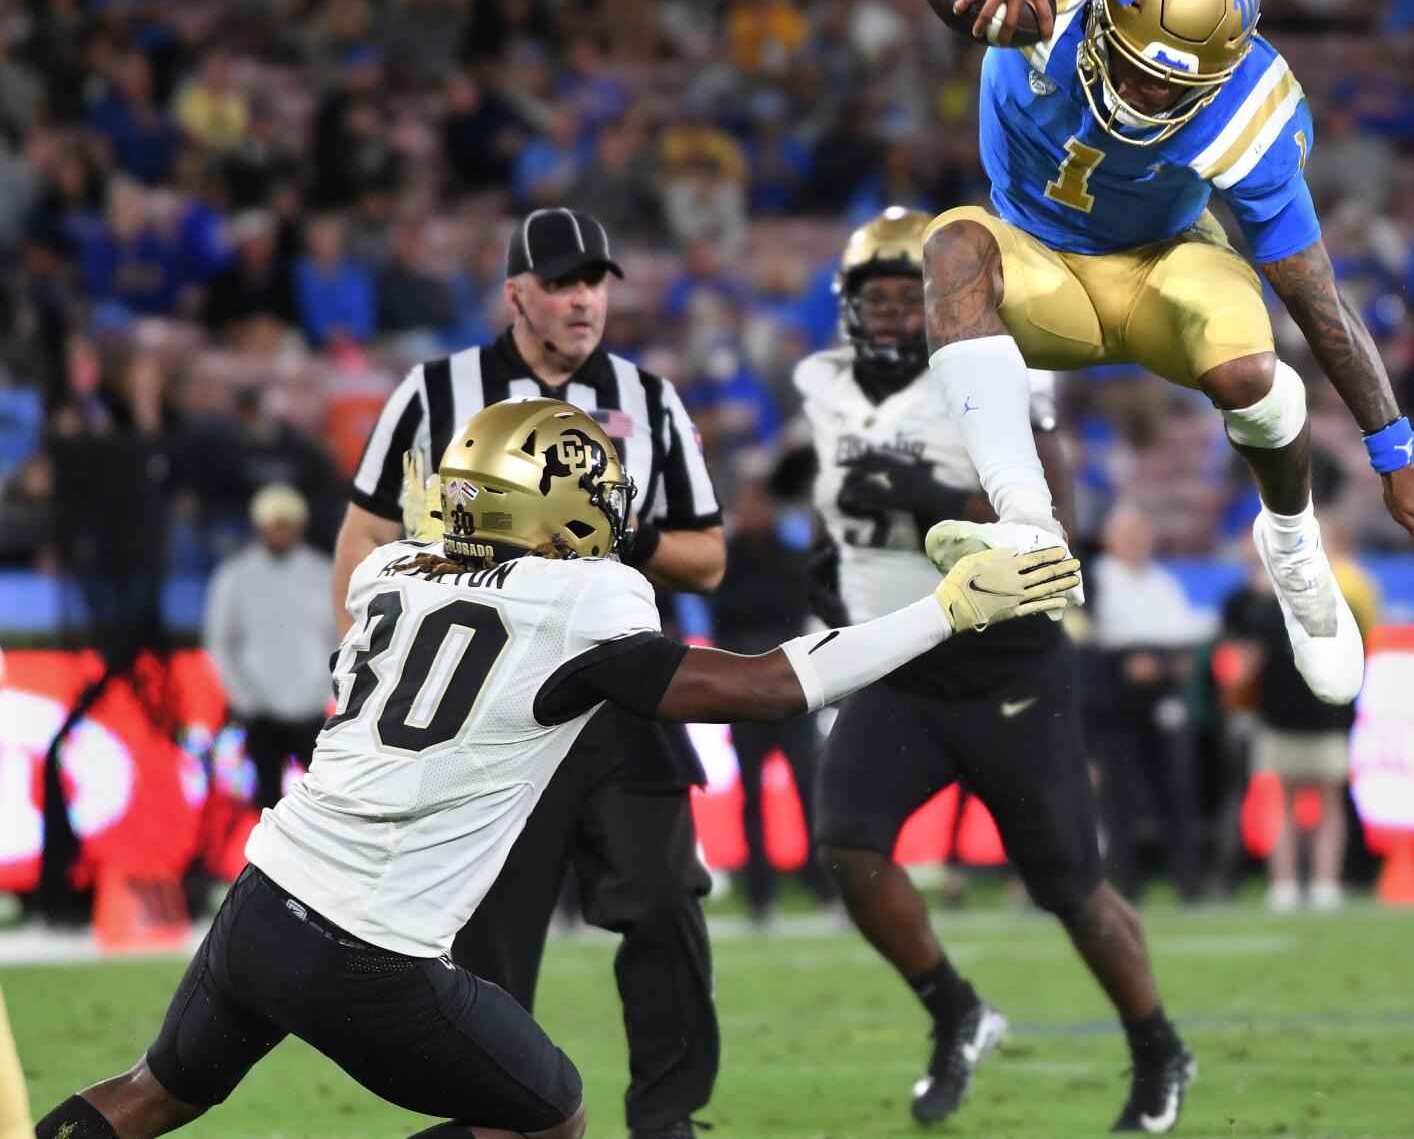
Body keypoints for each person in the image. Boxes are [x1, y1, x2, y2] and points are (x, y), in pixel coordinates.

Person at [32, 398, 1077, 1139]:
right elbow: (763, 686)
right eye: (592, 492)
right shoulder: (579, 603)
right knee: (549, 1113)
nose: (610, 511)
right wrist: (944, 611)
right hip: (371, 944)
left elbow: (448, 572)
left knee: (154, 1092)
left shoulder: (392, 570)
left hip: (266, 897)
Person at [873, 0, 1414, 717]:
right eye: (1128, 62)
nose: (1134, 91)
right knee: (949, 246)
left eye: (1165, 82)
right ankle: (1027, 524)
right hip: (1034, 259)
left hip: (1162, 263)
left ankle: (1290, 545)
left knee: (1258, 376)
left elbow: (1315, 294)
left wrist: (1395, 451)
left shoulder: (1253, 112)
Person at [331, 208, 729, 1139]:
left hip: (620, 686)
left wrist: (623, 533)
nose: (583, 298)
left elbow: (708, 559)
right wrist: (357, 663)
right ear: (516, 294)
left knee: (667, 901)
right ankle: (495, 1123)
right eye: (561, 281)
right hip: (491, 701)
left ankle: (668, 1123)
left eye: (595, 280)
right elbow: (364, 531)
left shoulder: (650, 399)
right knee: (487, 938)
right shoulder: (436, 391)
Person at [799, 208, 1196, 1132]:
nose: (898, 311)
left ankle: (1156, 1042)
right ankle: (956, 1010)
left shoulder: (989, 356)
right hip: (898, 657)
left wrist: (926, 499)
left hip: (1002, 660)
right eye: (881, 297)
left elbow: (1041, 497)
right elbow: (842, 501)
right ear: (851, 305)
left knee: (1068, 885)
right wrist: (832, 562)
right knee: (849, 844)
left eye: (912, 292)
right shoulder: (825, 386)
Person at [1223, 515, 1379, 913]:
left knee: (1307, 802)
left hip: (1307, 715)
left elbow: (1249, 663)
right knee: (1307, 802)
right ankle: (1301, 884)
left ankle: (1303, 884)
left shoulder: (1311, 598)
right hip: (1297, 714)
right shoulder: (1286, 599)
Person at [708, 476, 834, 924]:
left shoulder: (790, 557)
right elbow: (721, 616)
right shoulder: (727, 559)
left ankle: (823, 887)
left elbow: (797, 609)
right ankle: (760, 894)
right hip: (744, 689)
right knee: (751, 796)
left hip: (790, 687)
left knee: (807, 787)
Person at [1087, 500, 1210, 905]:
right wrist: (1129, 665)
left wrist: (1169, 665)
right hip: (1117, 695)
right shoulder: (1099, 579)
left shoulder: (1162, 582)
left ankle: (1187, 882)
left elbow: (1182, 630)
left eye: (1142, 533)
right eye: (1129, 533)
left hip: (1163, 686)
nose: (1138, 542)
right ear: (1111, 539)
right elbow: (1098, 637)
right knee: (1118, 797)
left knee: (1176, 788)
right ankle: (1124, 884)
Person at [201, 484, 337, 809]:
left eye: (286, 523)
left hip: (312, 710)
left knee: (326, 803)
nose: (280, 531)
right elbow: (219, 642)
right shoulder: (234, 576)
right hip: (260, 712)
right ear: (258, 526)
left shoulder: (323, 573)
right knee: (265, 807)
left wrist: (326, 692)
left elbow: (341, 638)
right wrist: (244, 697)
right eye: (273, 523)